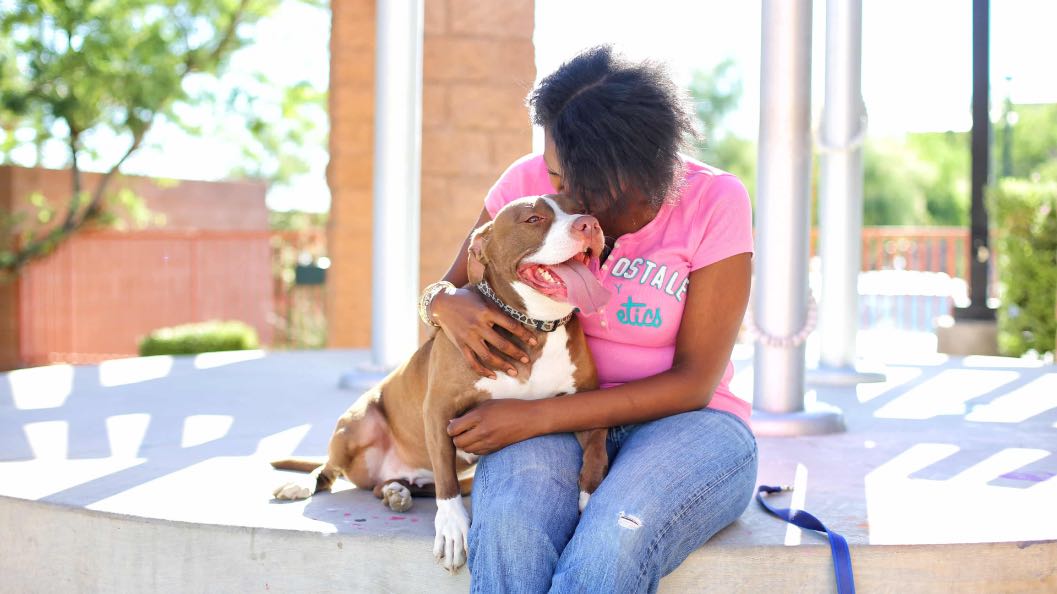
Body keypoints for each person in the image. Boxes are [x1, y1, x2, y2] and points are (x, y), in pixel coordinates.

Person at [422, 45, 757, 593]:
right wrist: (439, 303)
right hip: (548, 414)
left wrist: (533, 420)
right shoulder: (528, 188)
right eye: (551, 170)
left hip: (691, 426)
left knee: (615, 540)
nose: (553, 189)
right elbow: (454, 285)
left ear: (627, 169)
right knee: (508, 533)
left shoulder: (715, 200)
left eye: (568, 179)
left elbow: (695, 383)